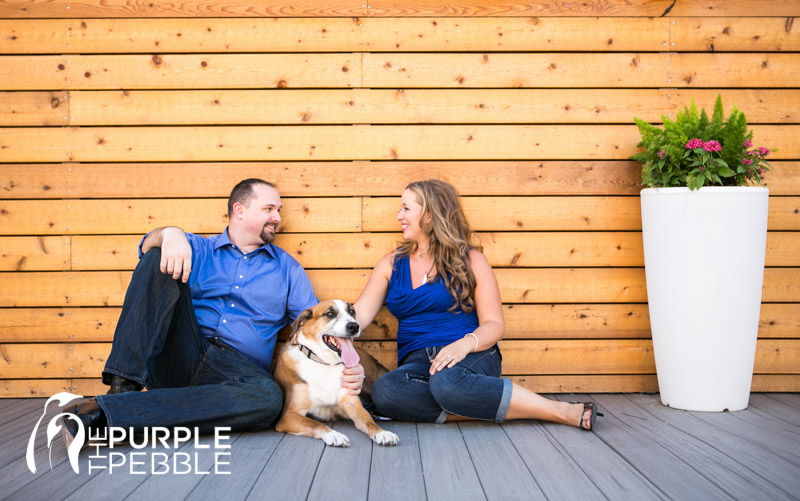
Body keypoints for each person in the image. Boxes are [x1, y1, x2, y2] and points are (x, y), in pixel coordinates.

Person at [62, 178, 365, 444]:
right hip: (181, 354)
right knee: (156, 259)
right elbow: (147, 246)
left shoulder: (288, 269)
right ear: (239, 210)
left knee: (268, 399)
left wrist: (349, 365)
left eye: (279, 211)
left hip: (237, 373)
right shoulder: (198, 248)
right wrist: (170, 234)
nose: (277, 217)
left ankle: (104, 414)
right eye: (269, 209)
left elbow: (315, 326)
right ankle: (122, 389)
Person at [353, 179, 602, 429]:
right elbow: (360, 314)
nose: (399, 216)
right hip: (419, 364)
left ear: (429, 215)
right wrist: (326, 333)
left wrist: (463, 346)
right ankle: (481, 409)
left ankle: (557, 410)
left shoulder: (471, 261)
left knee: (446, 382)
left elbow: (494, 324)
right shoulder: (391, 264)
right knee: (386, 391)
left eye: (406, 208)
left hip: (472, 354)